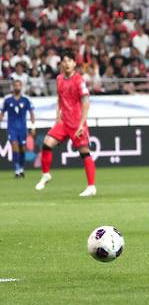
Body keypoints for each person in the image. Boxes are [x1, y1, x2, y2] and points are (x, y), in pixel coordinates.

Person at [35, 53, 97, 197]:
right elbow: (60, 98)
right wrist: (57, 115)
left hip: (77, 123)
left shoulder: (79, 80)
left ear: (74, 63)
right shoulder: (59, 79)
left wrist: (82, 124)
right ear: (61, 64)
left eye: (69, 61)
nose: (66, 63)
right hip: (64, 122)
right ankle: (46, 174)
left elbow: (86, 103)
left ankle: (91, 187)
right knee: (47, 143)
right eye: (64, 61)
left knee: (84, 153)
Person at [1, 80, 35, 178]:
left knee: (22, 149)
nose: (17, 87)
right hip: (12, 128)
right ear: (12, 87)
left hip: (23, 128)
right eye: (15, 85)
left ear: (21, 87)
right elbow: (2, 114)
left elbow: (32, 114)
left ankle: (21, 168)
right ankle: (16, 170)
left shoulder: (26, 99)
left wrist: (33, 127)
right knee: (14, 145)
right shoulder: (7, 100)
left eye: (18, 85)